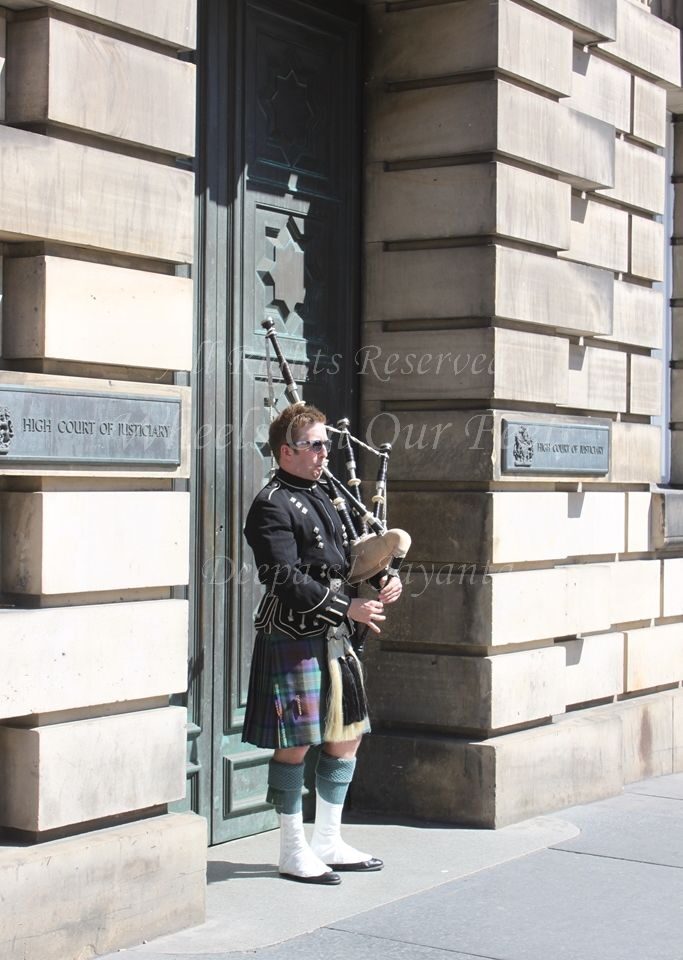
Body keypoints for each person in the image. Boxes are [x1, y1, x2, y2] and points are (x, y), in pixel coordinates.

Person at [242, 403, 402, 885]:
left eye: (325, 444)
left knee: (346, 735)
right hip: (294, 632)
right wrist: (345, 608)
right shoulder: (271, 503)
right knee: (296, 744)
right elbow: (281, 577)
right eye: (314, 445)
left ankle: (329, 840)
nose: (323, 453)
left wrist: (385, 575)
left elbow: (352, 553)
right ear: (286, 451)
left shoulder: (326, 492)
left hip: (335, 636)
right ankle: (292, 849)